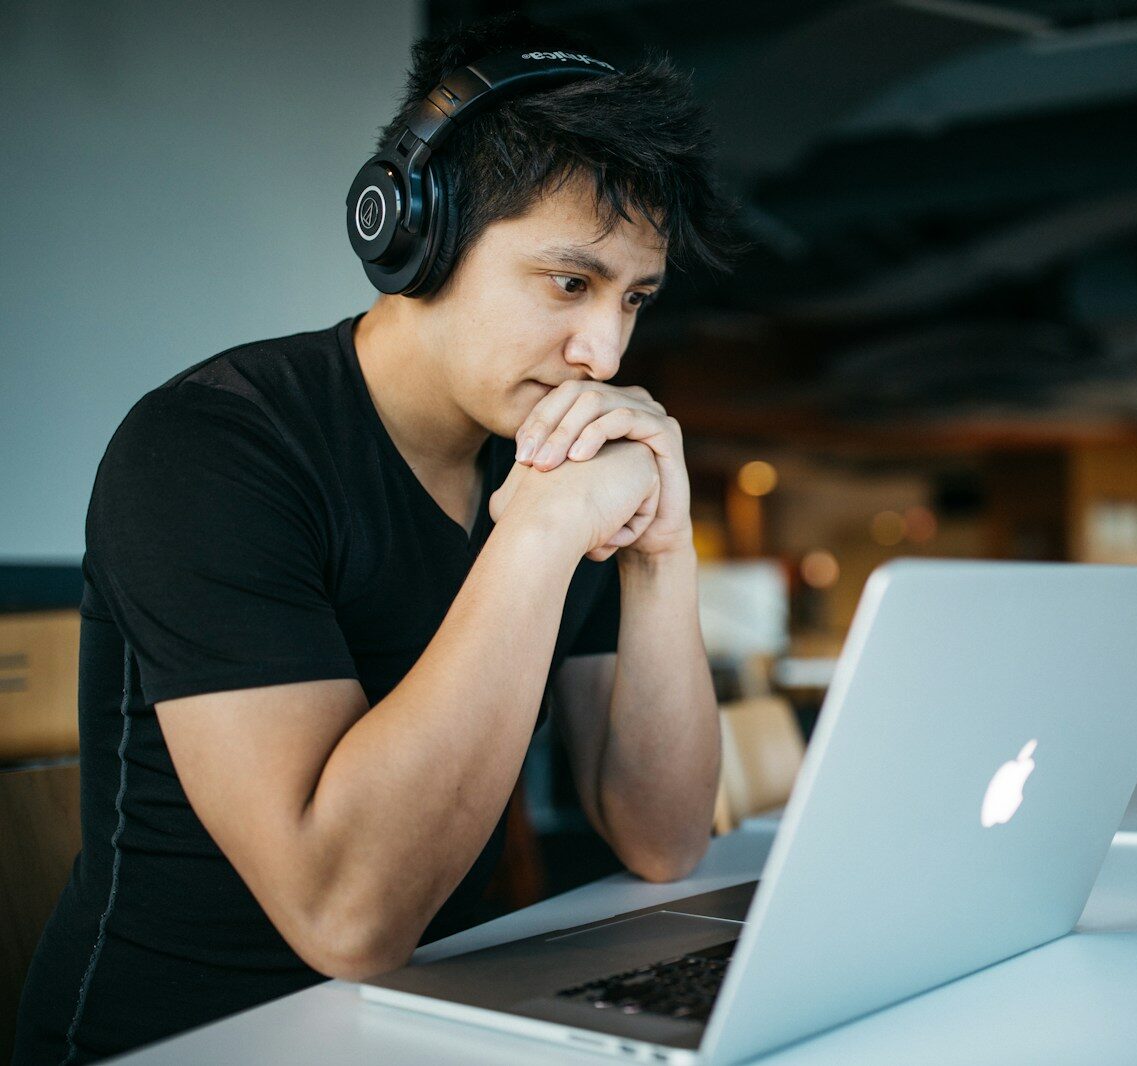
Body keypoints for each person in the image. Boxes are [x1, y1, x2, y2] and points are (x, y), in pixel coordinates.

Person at [14, 12, 741, 1063]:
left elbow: (664, 839)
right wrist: (536, 536)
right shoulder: (209, 449)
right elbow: (345, 919)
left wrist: (661, 550)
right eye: (570, 283)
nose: (605, 347)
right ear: (416, 233)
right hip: (185, 1039)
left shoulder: (545, 450)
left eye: (636, 299)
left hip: (427, 1023)